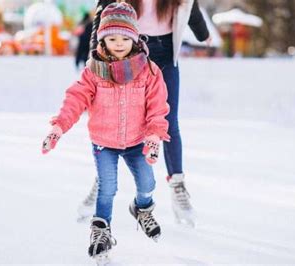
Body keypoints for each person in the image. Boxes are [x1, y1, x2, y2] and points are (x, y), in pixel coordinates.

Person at [42, 2, 170, 259]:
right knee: (107, 187)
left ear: (134, 37)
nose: (119, 43)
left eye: (124, 37)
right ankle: (101, 229)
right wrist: (59, 126)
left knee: (148, 183)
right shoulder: (93, 71)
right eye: (112, 38)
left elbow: (157, 107)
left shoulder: (149, 71)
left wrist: (154, 134)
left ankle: (142, 209)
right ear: (102, 38)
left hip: (137, 141)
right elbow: (75, 100)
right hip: (104, 142)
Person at [78, 0, 211, 227]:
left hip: (166, 51)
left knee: (167, 121)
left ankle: (178, 186)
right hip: (128, 50)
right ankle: (101, 181)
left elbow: (190, 5)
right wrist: (95, 57)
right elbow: (103, 12)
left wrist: (202, 33)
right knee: (117, 116)